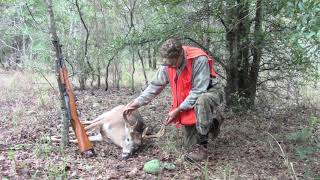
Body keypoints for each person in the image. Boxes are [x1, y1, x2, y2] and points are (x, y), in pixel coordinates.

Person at [124, 38, 224, 161]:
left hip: (210, 92)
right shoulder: (167, 65)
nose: (170, 66)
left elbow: (199, 91)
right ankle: (213, 123)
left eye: (172, 63)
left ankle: (202, 148)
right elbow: (155, 86)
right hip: (191, 97)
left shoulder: (199, 59)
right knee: (189, 143)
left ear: (181, 54)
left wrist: (179, 109)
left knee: (202, 101)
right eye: (167, 64)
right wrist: (137, 102)